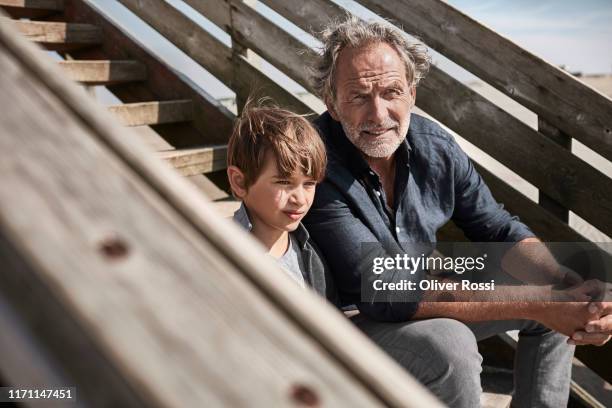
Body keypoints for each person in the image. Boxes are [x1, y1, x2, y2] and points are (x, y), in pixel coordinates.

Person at [303, 16, 611, 407]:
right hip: (345, 322)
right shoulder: (313, 161)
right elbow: (384, 291)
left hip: (415, 298)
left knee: (557, 291)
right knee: (452, 342)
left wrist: (563, 283)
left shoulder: (435, 146)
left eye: (392, 92)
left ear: (412, 93)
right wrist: (536, 302)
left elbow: (498, 228)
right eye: (359, 96)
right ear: (331, 102)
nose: (379, 115)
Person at [226, 103, 338, 303]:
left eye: (309, 183)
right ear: (239, 182)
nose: (300, 199)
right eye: (284, 182)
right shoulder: (221, 254)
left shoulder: (313, 253)